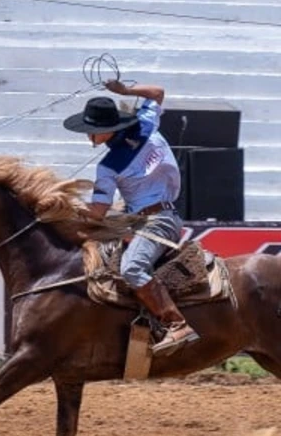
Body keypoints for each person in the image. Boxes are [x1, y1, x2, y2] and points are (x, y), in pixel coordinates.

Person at [62, 79, 198, 355]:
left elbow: (98, 212)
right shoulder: (146, 124)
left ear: (106, 131)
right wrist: (125, 91)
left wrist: (66, 208)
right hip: (161, 215)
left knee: (132, 268)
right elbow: (158, 92)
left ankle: (177, 324)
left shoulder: (108, 167)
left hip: (154, 222)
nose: (88, 137)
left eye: (91, 131)